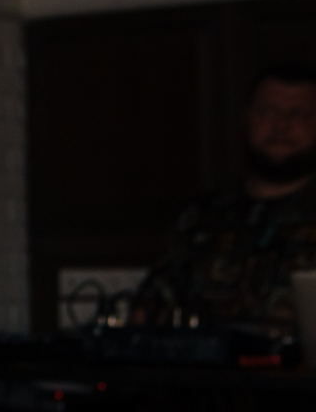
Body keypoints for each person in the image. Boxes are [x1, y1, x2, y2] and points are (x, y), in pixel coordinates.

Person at [134, 62, 316, 337]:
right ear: (247, 118)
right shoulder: (201, 218)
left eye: (298, 114)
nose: (281, 125)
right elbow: (149, 306)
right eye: (268, 112)